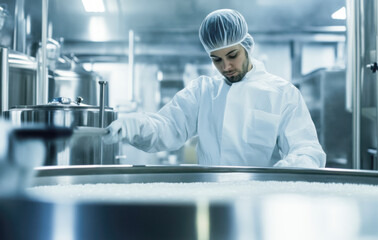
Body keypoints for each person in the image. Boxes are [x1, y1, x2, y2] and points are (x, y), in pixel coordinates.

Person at [103, 9, 326, 168]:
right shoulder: (203, 91)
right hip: (211, 196)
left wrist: (284, 174)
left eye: (232, 55)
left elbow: (307, 150)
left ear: (247, 47)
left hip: (261, 198)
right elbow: (167, 127)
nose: (226, 66)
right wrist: (133, 125)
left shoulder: (282, 94)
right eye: (216, 59)